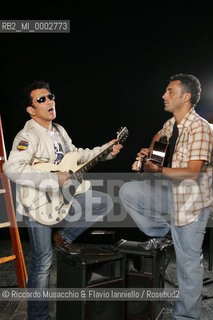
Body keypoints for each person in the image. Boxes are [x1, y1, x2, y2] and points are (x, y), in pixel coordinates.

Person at [3, 80, 123, 320]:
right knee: (42, 263)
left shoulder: (59, 131)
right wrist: (51, 178)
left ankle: (63, 237)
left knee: (102, 202)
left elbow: (76, 156)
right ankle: (38, 317)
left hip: (62, 199)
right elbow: (11, 168)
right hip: (37, 205)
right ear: (31, 109)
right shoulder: (26, 135)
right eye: (42, 99)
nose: (49, 101)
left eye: (51, 97)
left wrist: (106, 150)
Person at [119, 73, 213, 320]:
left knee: (188, 265)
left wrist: (158, 170)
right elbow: (159, 137)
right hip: (170, 196)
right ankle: (165, 232)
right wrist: (150, 153)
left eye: (170, 91)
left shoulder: (200, 128)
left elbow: (194, 173)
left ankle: (186, 317)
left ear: (186, 97)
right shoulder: (172, 124)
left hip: (191, 204)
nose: (164, 95)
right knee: (128, 191)